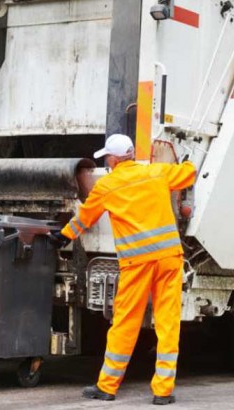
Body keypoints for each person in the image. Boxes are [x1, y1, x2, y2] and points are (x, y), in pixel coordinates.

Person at [49, 134, 196, 405]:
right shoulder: (157, 172)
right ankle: (163, 391)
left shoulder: (108, 185)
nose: (107, 160)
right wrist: (187, 158)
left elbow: (85, 217)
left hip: (137, 264)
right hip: (169, 259)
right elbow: (188, 174)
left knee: (125, 323)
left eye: (107, 157)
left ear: (115, 159)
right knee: (167, 323)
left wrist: (63, 236)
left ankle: (107, 386)